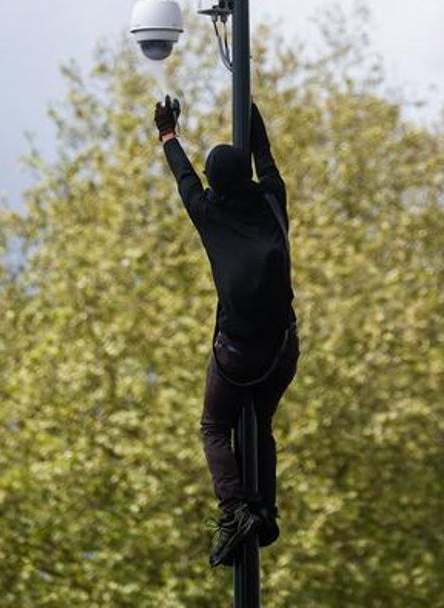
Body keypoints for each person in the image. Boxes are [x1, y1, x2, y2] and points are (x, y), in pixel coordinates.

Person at [154, 95, 300, 568]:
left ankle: (235, 510)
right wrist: (247, 102)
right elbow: (264, 153)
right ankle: (265, 512)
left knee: (215, 426)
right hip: (282, 347)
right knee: (259, 423)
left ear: (215, 185)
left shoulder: (208, 214)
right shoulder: (273, 200)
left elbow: (185, 178)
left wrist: (168, 133)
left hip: (238, 354)